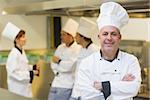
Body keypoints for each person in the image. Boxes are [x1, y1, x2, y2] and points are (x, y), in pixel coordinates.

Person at [74, 2, 141, 100]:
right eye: (105, 34)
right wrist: (120, 85)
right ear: (99, 37)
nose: (109, 38)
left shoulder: (131, 61)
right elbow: (88, 96)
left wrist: (103, 87)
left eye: (113, 34)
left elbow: (134, 88)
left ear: (119, 37)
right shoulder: (87, 63)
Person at [2, 22, 39, 98]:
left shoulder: (21, 51)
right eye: (22, 37)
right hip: (17, 89)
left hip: (24, 88)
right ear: (16, 39)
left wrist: (33, 67)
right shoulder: (14, 54)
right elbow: (14, 73)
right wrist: (31, 73)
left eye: (24, 36)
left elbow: (22, 66)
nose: (25, 39)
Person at [48, 18, 81, 100]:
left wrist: (59, 61)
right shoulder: (60, 47)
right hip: (55, 83)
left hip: (66, 85)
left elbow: (70, 66)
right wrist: (60, 66)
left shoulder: (77, 49)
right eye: (61, 34)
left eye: (63, 34)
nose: (61, 37)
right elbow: (52, 63)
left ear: (71, 36)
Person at [70, 17, 99, 99]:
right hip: (76, 91)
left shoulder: (95, 50)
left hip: (87, 93)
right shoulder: (80, 49)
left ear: (82, 37)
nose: (75, 37)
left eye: (77, 35)